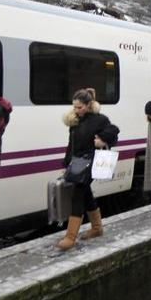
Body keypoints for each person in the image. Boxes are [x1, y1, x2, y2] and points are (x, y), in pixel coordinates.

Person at [58, 88, 119, 251]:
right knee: (85, 194)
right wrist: (66, 163)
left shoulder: (99, 120)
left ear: (88, 105)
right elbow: (71, 145)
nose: (76, 110)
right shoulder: (75, 121)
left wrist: (102, 139)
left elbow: (114, 131)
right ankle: (97, 228)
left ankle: (70, 237)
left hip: (91, 161)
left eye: (79, 107)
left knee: (78, 194)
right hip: (77, 162)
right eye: (74, 107)